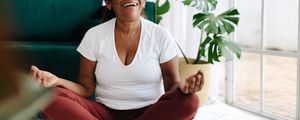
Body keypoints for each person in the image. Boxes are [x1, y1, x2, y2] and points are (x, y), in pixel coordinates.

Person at [29, 0, 204, 119]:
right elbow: (85, 88)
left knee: (190, 101)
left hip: (150, 113)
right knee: (47, 96)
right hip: (103, 114)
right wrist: (57, 81)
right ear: (109, 2)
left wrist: (182, 88)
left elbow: (171, 85)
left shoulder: (161, 35)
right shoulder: (95, 36)